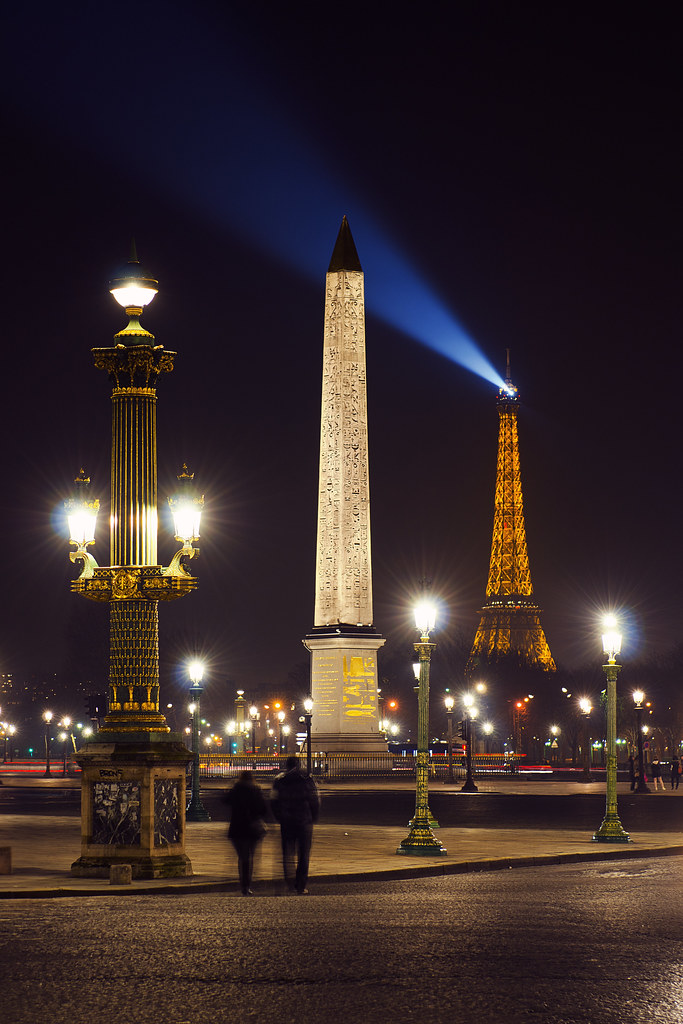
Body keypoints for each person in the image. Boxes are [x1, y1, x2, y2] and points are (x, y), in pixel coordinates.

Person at [271, 754, 320, 894]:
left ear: (287, 765)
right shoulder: (307, 779)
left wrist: (279, 817)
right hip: (304, 820)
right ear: (298, 765)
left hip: (287, 821)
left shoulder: (280, 781)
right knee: (303, 854)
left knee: (287, 854)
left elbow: (274, 801)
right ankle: (300, 885)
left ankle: (290, 884)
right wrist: (313, 817)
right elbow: (314, 800)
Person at [224, 770, 268, 895]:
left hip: (237, 828)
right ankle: (247, 884)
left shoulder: (236, 789)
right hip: (251, 829)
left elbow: (225, 800)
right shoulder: (255, 790)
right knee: (250, 856)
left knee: (242, 857)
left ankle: (243, 884)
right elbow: (263, 809)